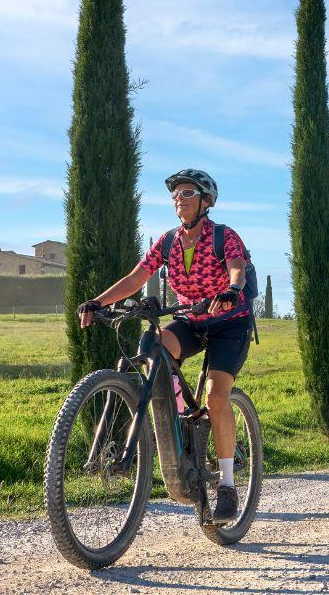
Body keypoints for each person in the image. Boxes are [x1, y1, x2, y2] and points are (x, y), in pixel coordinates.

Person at [76, 168, 251, 524]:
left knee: (217, 396)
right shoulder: (168, 241)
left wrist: (231, 292)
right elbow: (137, 277)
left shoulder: (223, 236)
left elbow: (237, 269)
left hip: (228, 322)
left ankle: (229, 487)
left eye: (187, 193)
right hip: (190, 319)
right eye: (175, 194)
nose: (178, 199)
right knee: (156, 347)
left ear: (205, 201)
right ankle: (180, 416)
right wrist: (97, 301)